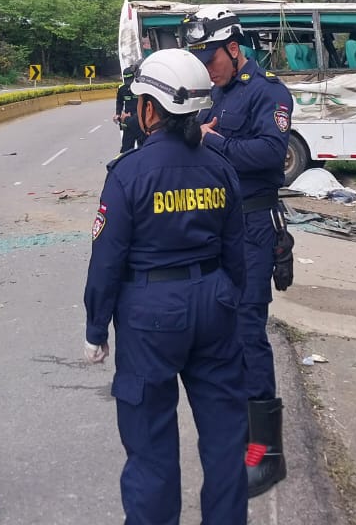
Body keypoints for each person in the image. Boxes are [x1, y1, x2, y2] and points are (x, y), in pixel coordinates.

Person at [83, 49, 248, 524]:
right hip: (214, 303)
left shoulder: (128, 174)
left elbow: (106, 260)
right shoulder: (220, 168)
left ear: (149, 110)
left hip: (150, 315)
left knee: (151, 442)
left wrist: (96, 328)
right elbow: (237, 251)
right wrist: (226, 299)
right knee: (224, 438)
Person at [183, 4, 294, 497]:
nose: (207, 68)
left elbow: (272, 154)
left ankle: (266, 453)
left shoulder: (267, 91)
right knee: (223, 326)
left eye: (211, 58)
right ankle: (239, 430)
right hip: (222, 224)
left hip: (253, 223)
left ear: (233, 48)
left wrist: (215, 142)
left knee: (249, 331)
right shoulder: (217, 94)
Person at [112, 64, 145, 154]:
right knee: (126, 150)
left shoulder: (140, 88)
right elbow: (119, 102)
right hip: (127, 121)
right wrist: (118, 114)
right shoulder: (122, 89)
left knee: (143, 148)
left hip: (140, 121)